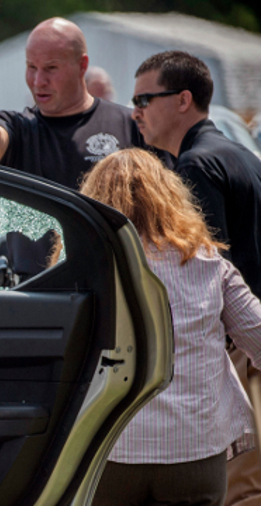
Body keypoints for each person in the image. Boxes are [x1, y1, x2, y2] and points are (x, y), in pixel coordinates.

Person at [79, 148, 261, 506]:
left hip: (110, 449)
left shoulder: (86, 269)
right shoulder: (209, 265)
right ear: (171, 196)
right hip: (194, 451)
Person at [131, 51, 261, 505]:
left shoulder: (194, 167)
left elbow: (199, 274)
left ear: (184, 99)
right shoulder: (237, 151)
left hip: (234, 348)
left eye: (146, 98)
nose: (136, 111)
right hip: (252, 337)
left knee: (239, 490)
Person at [0, 17, 153, 189]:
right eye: (31, 67)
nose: (38, 81)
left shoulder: (130, 123)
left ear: (82, 65)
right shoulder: (20, 128)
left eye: (51, 68)